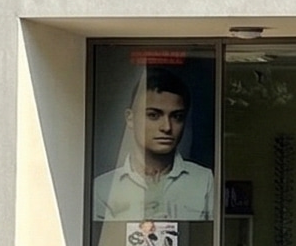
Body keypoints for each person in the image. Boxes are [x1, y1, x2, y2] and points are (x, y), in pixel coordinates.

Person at [92, 73, 214, 221]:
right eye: (153, 115)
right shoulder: (103, 188)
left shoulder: (204, 180)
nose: (167, 127)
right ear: (130, 119)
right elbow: (101, 242)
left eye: (177, 117)